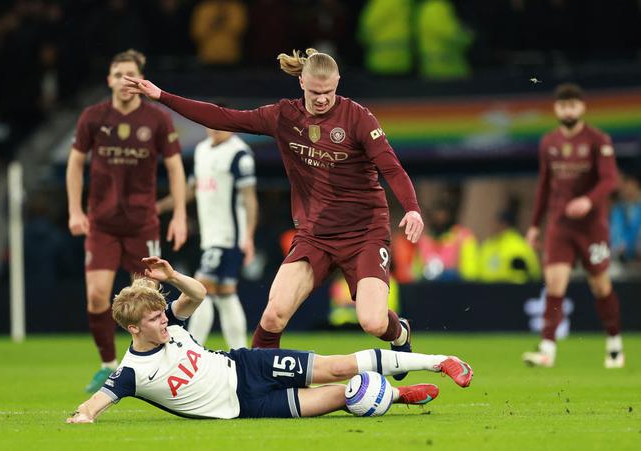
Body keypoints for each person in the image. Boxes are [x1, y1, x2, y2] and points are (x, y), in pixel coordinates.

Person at [122, 48, 425, 382]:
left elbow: (391, 167)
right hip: (315, 235)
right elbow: (223, 117)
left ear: (338, 83)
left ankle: (401, 335)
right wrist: (162, 96)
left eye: (328, 92)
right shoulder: (284, 116)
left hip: (364, 233)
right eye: (314, 92)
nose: (322, 99)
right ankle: (256, 384)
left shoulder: (358, 118)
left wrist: (411, 208)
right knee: (274, 315)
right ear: (301, 82)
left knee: (373, 322)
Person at [66, 257, 473, 423]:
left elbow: (199, 295)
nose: (163, 321)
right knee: (343, 396)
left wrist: (170, 277)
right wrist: (83, 416)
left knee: (339, 365)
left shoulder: (171, 323)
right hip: (248, 405)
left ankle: (441, 361)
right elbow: (96, 403)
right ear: (133, 329)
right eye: (153, 319)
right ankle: (403, 397)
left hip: (247, 364)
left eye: (161, 313)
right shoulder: (132, 372)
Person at [66, 49, 188, 393]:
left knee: (148, 300)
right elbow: (75, 163)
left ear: (140, 80)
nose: (124, 81)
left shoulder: (158, 120)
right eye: (118, 74)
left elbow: (175, 167)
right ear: (109, 79)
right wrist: (75, 210)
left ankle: (155, 366)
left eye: (130, 75)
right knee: (96, 297)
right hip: (102, 224)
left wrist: (179, 214)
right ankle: (107, 365)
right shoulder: (92, 117)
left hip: (142, 224)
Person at [522, 83, 624, 368]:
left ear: (582, 107)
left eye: (572, 105)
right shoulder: (549, 143)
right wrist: (534, 225)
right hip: (560, 225)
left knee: (600, 285)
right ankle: (547, 349)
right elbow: (544, 185)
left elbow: (609, 180)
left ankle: (614, 343)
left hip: (592, 227)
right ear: (556, 109)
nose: (568, 109)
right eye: (563, 105)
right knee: (555, 284)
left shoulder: (597, 140)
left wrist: (589, 202)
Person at [156, 125, 257, 349]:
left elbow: (249, 198)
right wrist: (159, 207)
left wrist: (248, 236)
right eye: (210, 125)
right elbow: (191, 189)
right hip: (210, 237)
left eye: (220, 125)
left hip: (228, 237)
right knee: (225, 294)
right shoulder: (202, 150)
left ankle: (191, 350)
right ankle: (241, 353)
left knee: (199, 290)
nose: (214, 130)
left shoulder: (239, 154)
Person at [610, 172, 641, 263]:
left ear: (635, 184)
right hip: (621, 259)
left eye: (625, 184)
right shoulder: (618, 208)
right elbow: (615, 234)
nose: (623, 189)